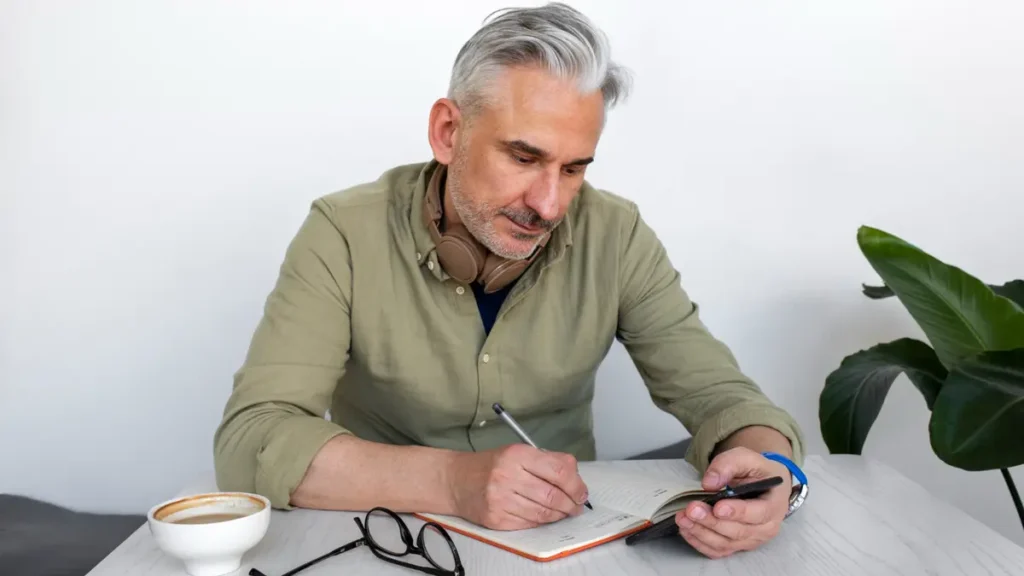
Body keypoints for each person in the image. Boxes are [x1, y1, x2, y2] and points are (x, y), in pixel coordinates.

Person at [213, 2, 806, 559]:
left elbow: (727, 401)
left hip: (570, 545)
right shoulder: (342, 232)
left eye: (573, 168)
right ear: (449, 132)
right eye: (524, 158)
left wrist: (774, 470)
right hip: (388, 540)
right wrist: (450, 481)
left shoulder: (617, 234)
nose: (549, 205)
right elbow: (251, 440)